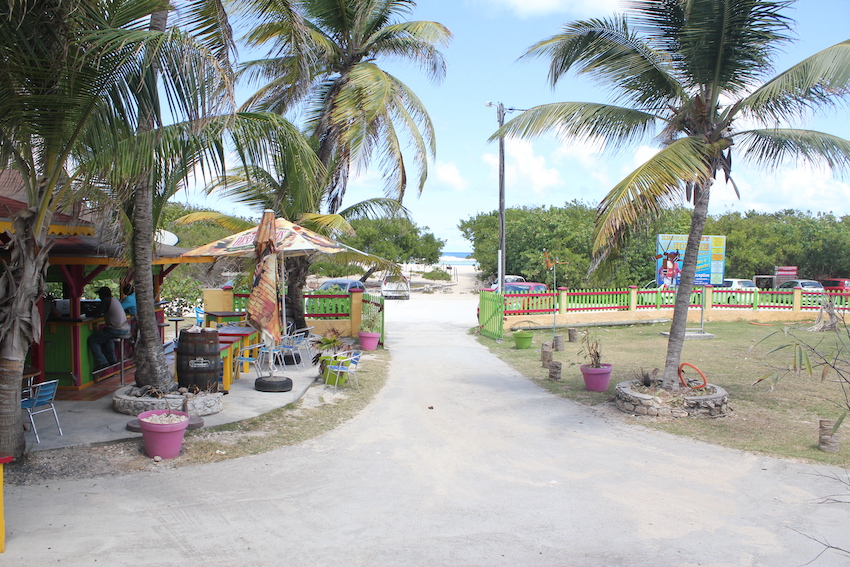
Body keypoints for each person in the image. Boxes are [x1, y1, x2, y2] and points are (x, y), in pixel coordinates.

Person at [88, 287, 131, 372]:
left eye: (100, 295)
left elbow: (97, 313)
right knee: (107, 336)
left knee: (92, 340)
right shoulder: (114, 300)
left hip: (116, 329)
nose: (99, 297)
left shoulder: (106, 301)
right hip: (123, 328)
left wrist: (89, 312)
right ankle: (112, 360)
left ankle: (102, 362)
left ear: (103, 295)